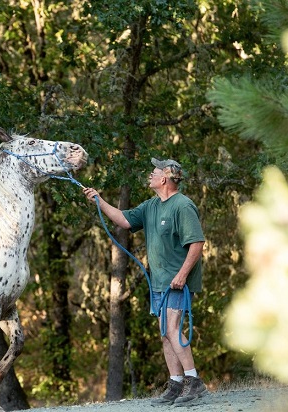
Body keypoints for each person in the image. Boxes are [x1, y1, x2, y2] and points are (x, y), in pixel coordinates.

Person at [83, 158, 207, 405]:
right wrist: (99, 200)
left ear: (164, 179)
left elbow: (197, 243)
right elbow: (125, 220)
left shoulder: (183, 206)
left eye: (155, 171)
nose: (150, 173)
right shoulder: (151, 206)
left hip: (177, 282)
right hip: (160, 282)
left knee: (172, 330)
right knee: (165, 334)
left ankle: (195, 383)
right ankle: (175, 384)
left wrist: (182, 276)